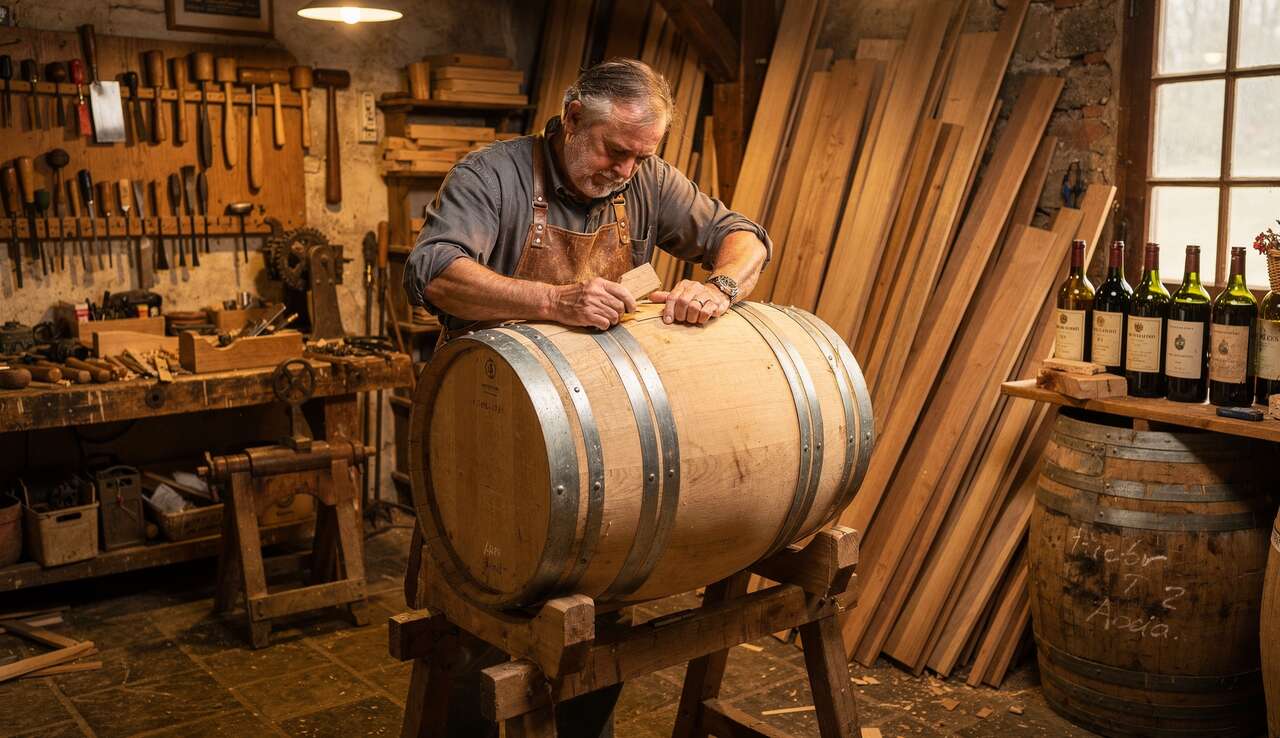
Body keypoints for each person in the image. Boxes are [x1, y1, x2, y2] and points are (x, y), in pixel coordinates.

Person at [401, 58, 771, 738]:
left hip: (601, 444)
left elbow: (744, 238)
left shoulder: (647, 180)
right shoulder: (494, 176)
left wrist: (718, 286)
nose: (625, 170)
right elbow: (434, 272)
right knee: (482, 632)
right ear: (573, 118)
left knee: (599, 623)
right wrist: (552, 300)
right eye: (613, 150)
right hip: (491, 428)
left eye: (640, 156)